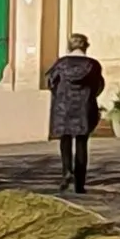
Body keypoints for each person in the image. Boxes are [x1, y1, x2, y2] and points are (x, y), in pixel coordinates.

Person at [46, 34, 105, 194]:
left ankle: (66, 171)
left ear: (70, 46)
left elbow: (51, 83)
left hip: (63, 107)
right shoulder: (93, 65)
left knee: (65, 141)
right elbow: (99, 86)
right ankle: (80, 182)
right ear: (86, 46)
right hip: (84, 107)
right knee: (81, 143)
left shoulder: (60, 64)